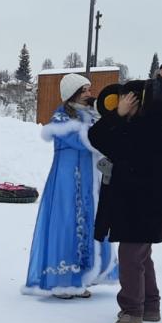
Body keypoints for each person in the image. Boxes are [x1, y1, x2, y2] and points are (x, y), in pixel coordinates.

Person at [88, 80, 162, 323]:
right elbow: (99, 139)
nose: (121, 103)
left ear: (136, 101)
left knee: (130, 257)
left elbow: (102, 140)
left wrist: (117, 116)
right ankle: (150, 306)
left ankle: (132, 311)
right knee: (141, 257)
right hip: (140, 204)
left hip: (144, 205)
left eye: (125, 99)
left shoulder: (147, 129)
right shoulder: (139, 126)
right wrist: (119, 116)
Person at [23, 73, 118, 298]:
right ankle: (64, 280)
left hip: (91, 178)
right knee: (68, 222)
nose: (89, 93)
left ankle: (85, 275)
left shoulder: (92, 115)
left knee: (90, 222)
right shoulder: (62, 118)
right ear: (73, 94)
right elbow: (84, 140)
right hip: (68, 178)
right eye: (84, 90)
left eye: (89, 89)